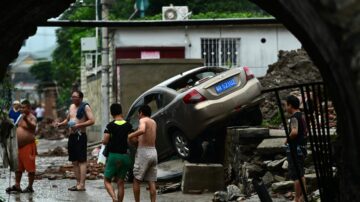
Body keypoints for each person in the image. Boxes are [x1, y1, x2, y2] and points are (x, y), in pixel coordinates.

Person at [55, 90, 95, 191]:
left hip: (80, 135)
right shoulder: (71, 106)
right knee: (74, 161)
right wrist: (60, 124)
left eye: (75, 97)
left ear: (81, 98)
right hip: (72, 136)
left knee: (82, 161)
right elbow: (68, 119)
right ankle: (78, 184)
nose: (73, 98)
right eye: (72, 97)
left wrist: (78, 125)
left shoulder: (85, 106)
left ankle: (82, 184)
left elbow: (92, 120)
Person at [102, 103, 133, 202]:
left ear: (112, 113)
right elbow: (133, 140)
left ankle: (114, 198)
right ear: (121, 112)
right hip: (125, 157)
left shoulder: (110, 126)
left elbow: (106, 141)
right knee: (120, 183)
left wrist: (104, 141)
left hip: (114, 156)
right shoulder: (128, 125)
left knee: (107, 181)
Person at [6, 100, 37, 194]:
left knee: (30, 168)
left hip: (28, 145)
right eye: (21, 107)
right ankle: (17, 185)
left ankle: (30, 187)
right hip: (17, 146)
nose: (22, 109)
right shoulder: (19, 117)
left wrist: (26, 120)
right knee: (17, 168)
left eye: (24, 107)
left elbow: (33, 127)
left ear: (29, 108)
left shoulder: (32, 117)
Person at [128, 105, 157, 202]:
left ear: (141, 113)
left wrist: (130, 135)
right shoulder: (153, 122)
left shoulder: (143, 120)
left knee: (136, 180)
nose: (138, 116)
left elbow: (142, 130)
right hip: (153, 151)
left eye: (138, 114)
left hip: (144, 152)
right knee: (151, 181)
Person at [285, 95, 308, 202]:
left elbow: (294, 132)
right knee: (301, 173)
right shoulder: (301, 115)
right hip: (302, 147)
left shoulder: (294, 117)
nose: (285, 108)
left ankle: (297, 198)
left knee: (296, 175)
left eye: (286, 105)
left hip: (296, 148)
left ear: (290, 105)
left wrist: (287, 140)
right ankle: (303, 196)